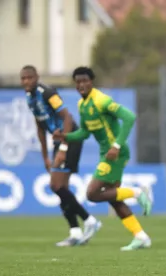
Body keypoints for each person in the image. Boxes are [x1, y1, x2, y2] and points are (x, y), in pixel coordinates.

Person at [53, 66, 153, 251]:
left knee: (92, 193)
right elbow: (84, 132)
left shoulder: (101, 100)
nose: (82, 85)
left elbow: (129, 117)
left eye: (85, 81)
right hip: (106, 153)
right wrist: (66, 137)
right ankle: (141, 236)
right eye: (78, 82)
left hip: (116, 153)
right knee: (114, 200)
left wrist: (116, 145)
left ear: (92, 82)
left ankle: (138, 193)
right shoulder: (83, 105)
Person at [21, 65, 101, 247]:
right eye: (23, 78)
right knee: (61, 187)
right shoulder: (29, 97)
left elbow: (67, 116)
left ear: (36, 77)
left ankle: (90, 221)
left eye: (29, 78)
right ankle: (75, 232)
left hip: (70, 136)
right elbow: (40, 126)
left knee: (55, 185)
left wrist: (63, 148)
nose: (26, 82)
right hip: (59, 141)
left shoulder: (47, 92)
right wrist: (45, 156)